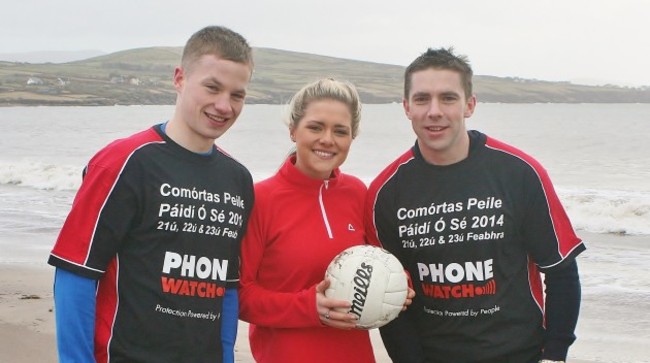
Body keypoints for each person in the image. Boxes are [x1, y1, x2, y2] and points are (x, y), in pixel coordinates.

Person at [47, 25, 255, 363]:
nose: (224, 106)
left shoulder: (237, 179)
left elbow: (227, 288)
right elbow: (75, 272)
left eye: (237, 95)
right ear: (179, 78)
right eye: (212, 88)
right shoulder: (124, 162)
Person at [365, 48, 585, 363]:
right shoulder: (385, 193)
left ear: (469, 105)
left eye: (448, 98)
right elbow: (393, 300)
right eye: (422, 99)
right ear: (406, 107)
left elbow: (561, 269)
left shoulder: (519, 172)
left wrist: (555, 354)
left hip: (522, 354)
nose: (434, 111)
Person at [238, 78, 376, 363]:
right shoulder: (259, 200)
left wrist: (398, 287)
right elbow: (241, 296)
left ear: (352, 137)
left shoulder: (358, 193)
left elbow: (381, 263)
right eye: (315, 127)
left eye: (340, 131)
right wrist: (309, 307)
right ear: (293, 130)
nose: (327, 139)